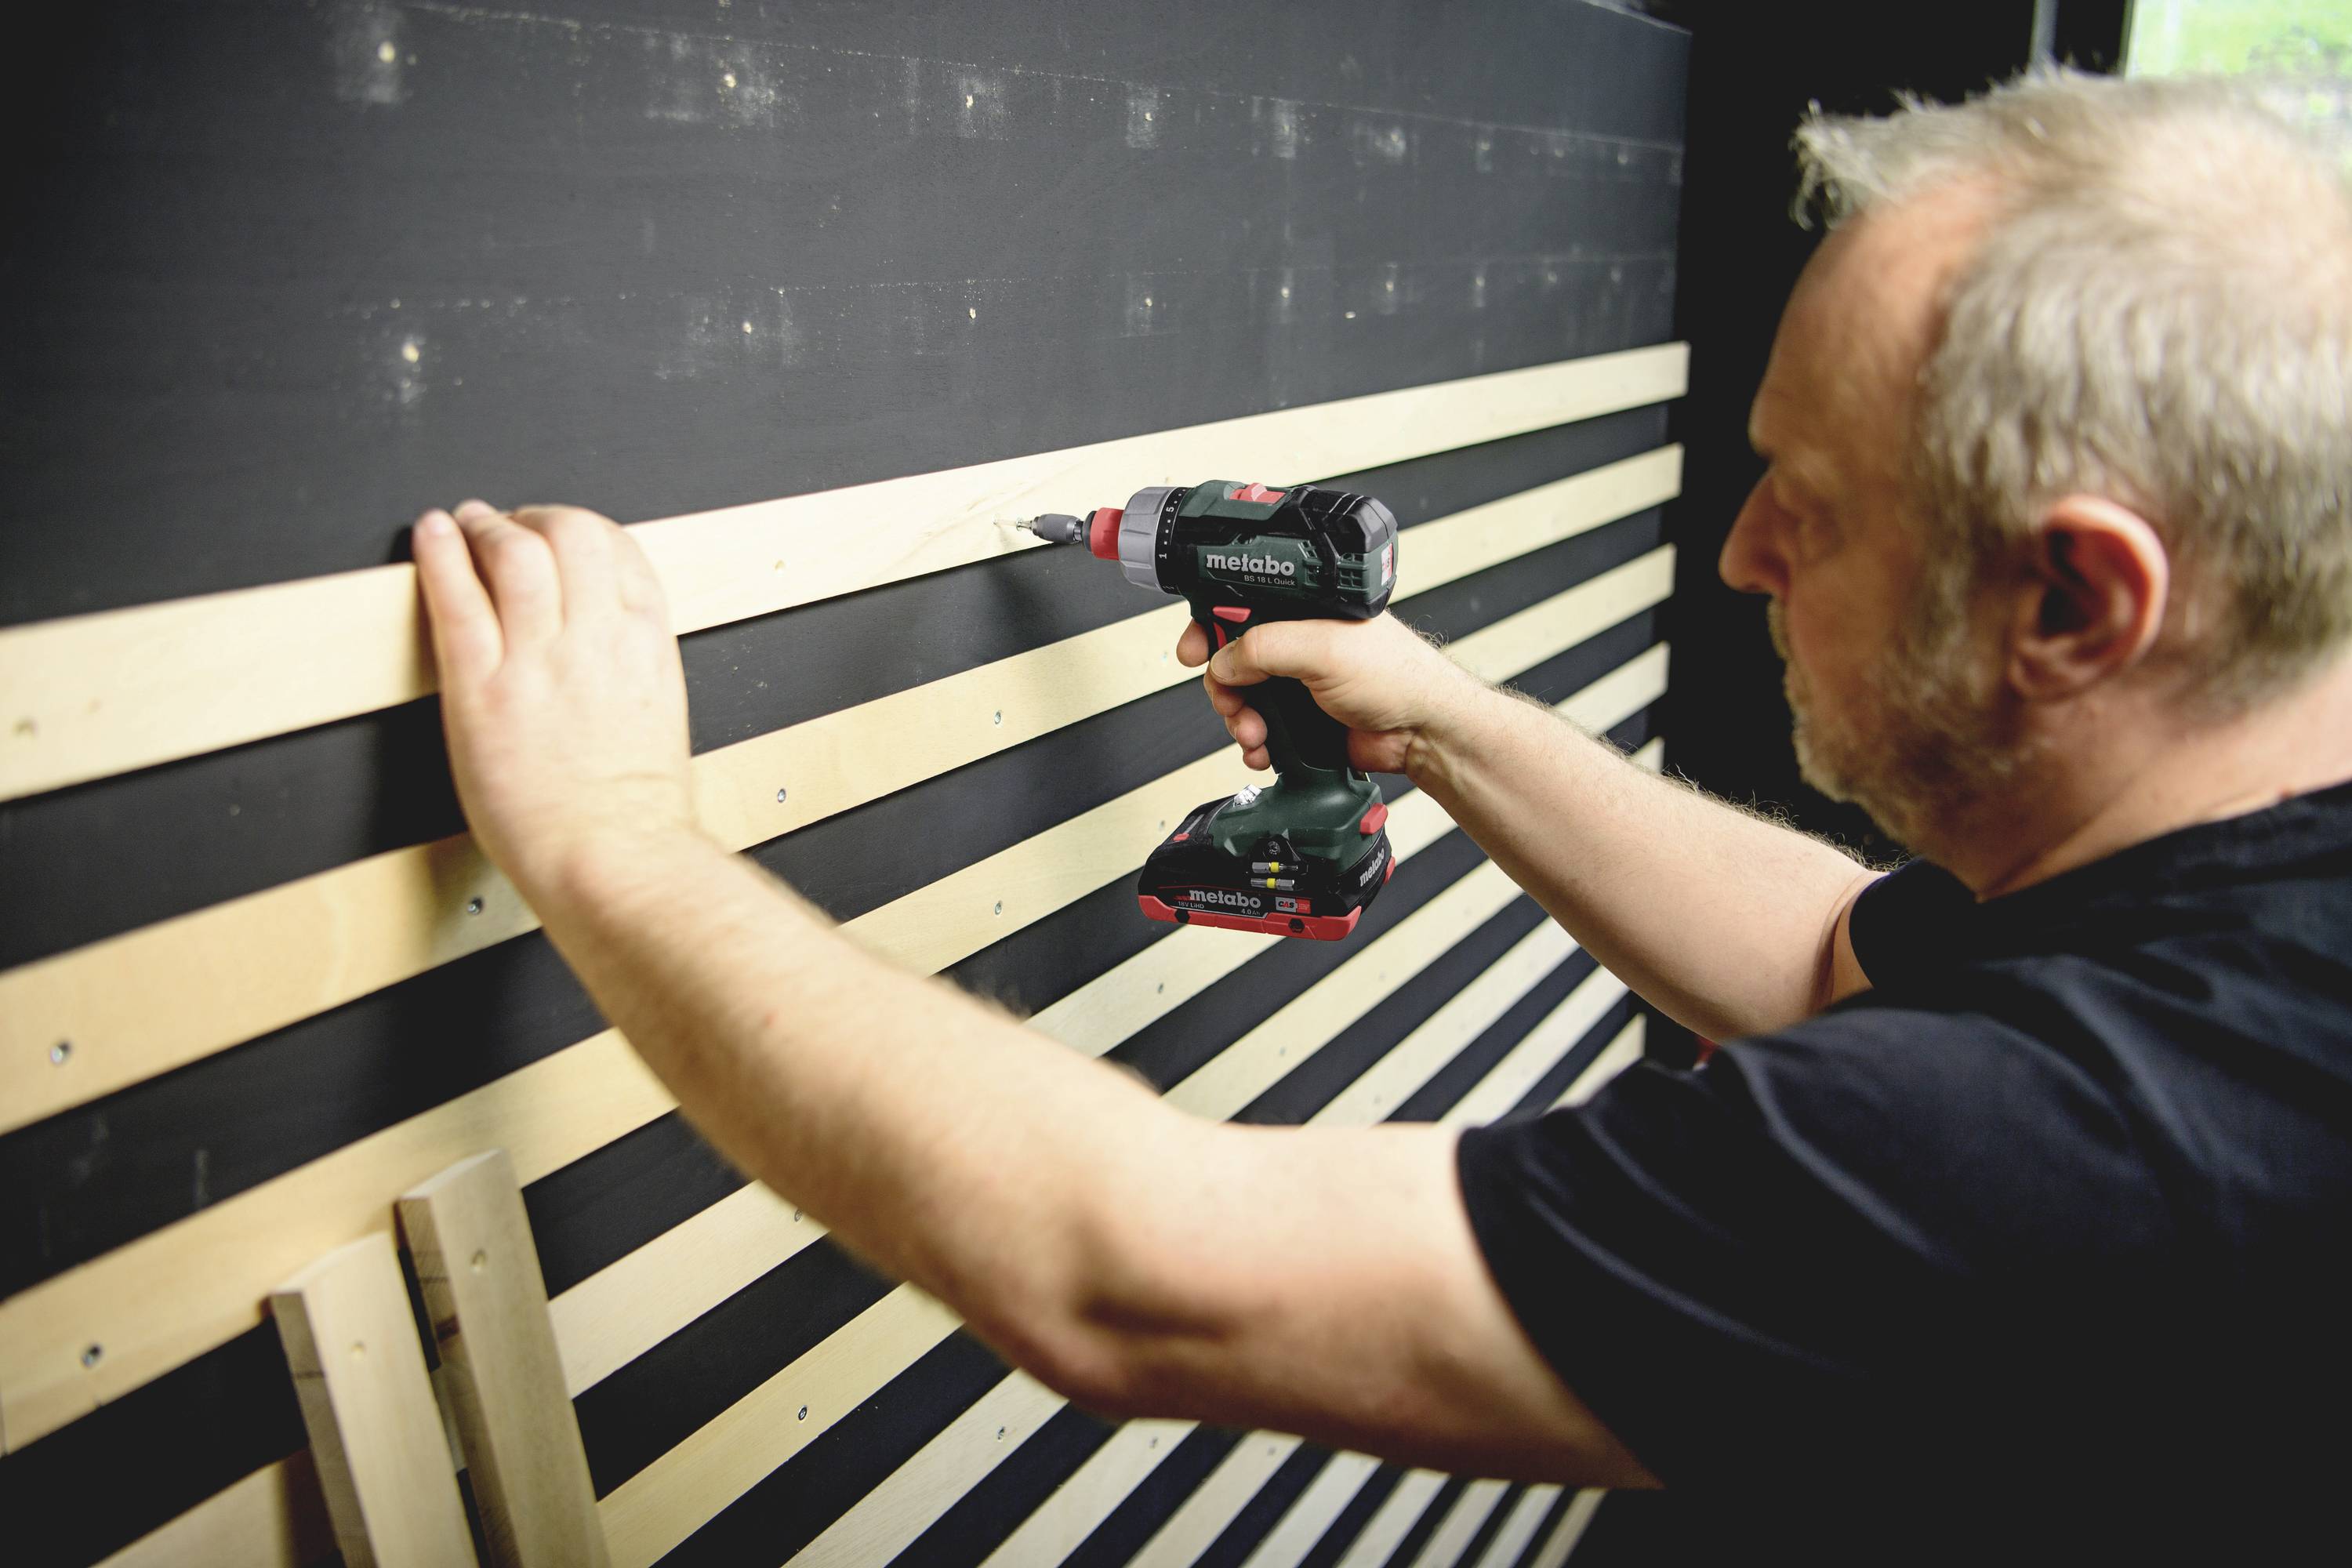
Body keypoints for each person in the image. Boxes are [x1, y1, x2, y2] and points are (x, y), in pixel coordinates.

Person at [410, 70, 2352, 1559]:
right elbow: (1833, 962)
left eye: (1812, 504)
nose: (1747, 555)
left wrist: (607, 838)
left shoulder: (2107, 1151)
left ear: (2081, 604)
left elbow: (1133, 1267)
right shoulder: (2249, 891)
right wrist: (1434, 718)